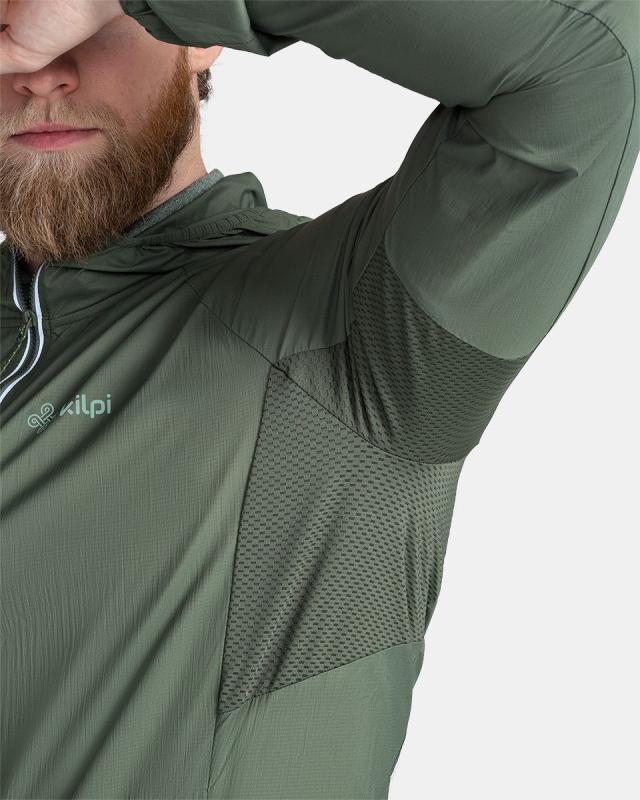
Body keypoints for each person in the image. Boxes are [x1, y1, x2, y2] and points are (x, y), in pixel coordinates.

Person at [0, 1, 637, 797]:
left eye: (88, 18)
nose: (40, 70)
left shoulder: (352, 335)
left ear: (197, 37)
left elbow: (587, 59)